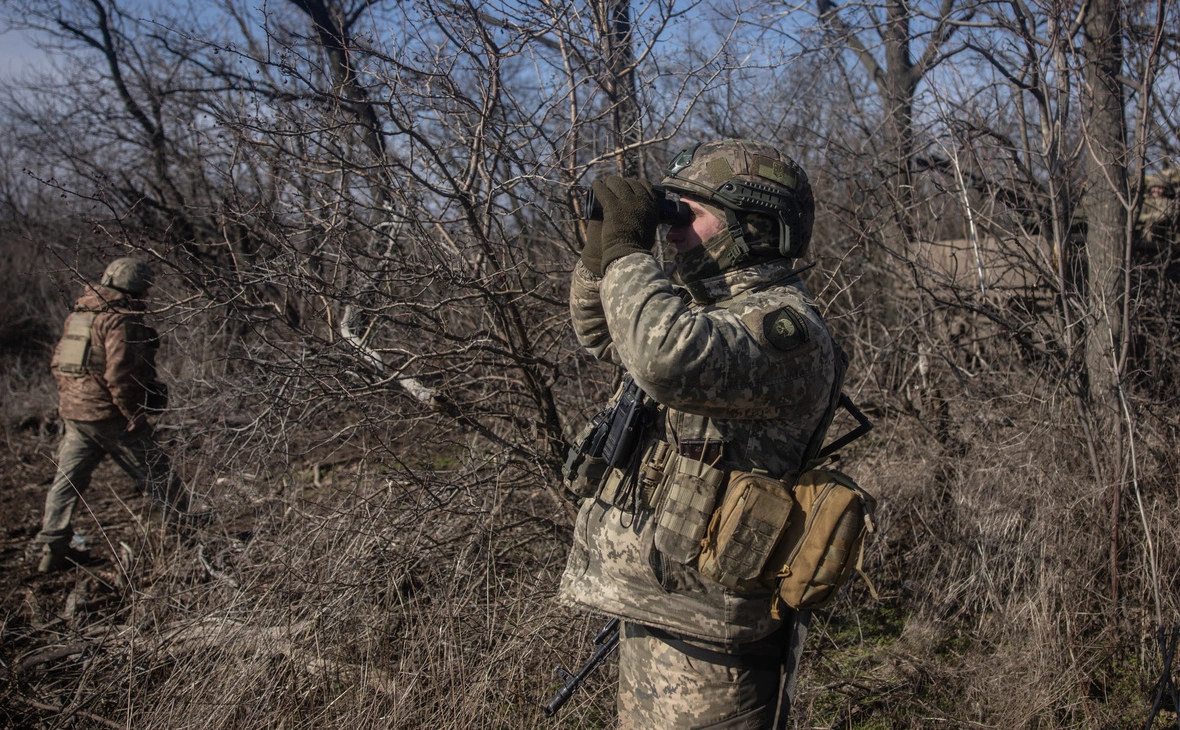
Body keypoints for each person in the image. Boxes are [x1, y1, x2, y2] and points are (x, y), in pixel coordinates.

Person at [559, 139, 846, 728]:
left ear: (753, 225)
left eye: (688, 213)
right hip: (660, 607)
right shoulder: (704, 311)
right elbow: (601, 332)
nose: (672, 228)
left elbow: (662, 357)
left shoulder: (784, 328)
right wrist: (601, 250)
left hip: (718, 644)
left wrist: (628, 250)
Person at [36, 257, 187, 573]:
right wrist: (134, 414)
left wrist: (71, 401)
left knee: (66, 482)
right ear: (137, 288)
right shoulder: (121, 320)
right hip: (111, 416)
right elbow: (121, 376)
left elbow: (58, 364)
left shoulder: (80, 314)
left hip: (76, 415)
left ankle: (52, 549)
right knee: (158, 474)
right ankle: (189, 535)